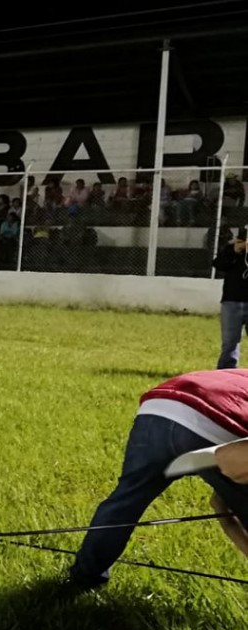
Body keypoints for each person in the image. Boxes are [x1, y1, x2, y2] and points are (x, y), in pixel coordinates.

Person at [70, 370, 248, 588]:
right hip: (217, 423)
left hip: (159, 408)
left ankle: (85, 576)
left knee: (126, 499)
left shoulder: (238, 374)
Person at [212, 227, 248, 369]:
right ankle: (227, 371)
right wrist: (234, 250)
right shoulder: (231, 250)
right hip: (232, 300)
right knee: (230, 342)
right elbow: (218, 264)